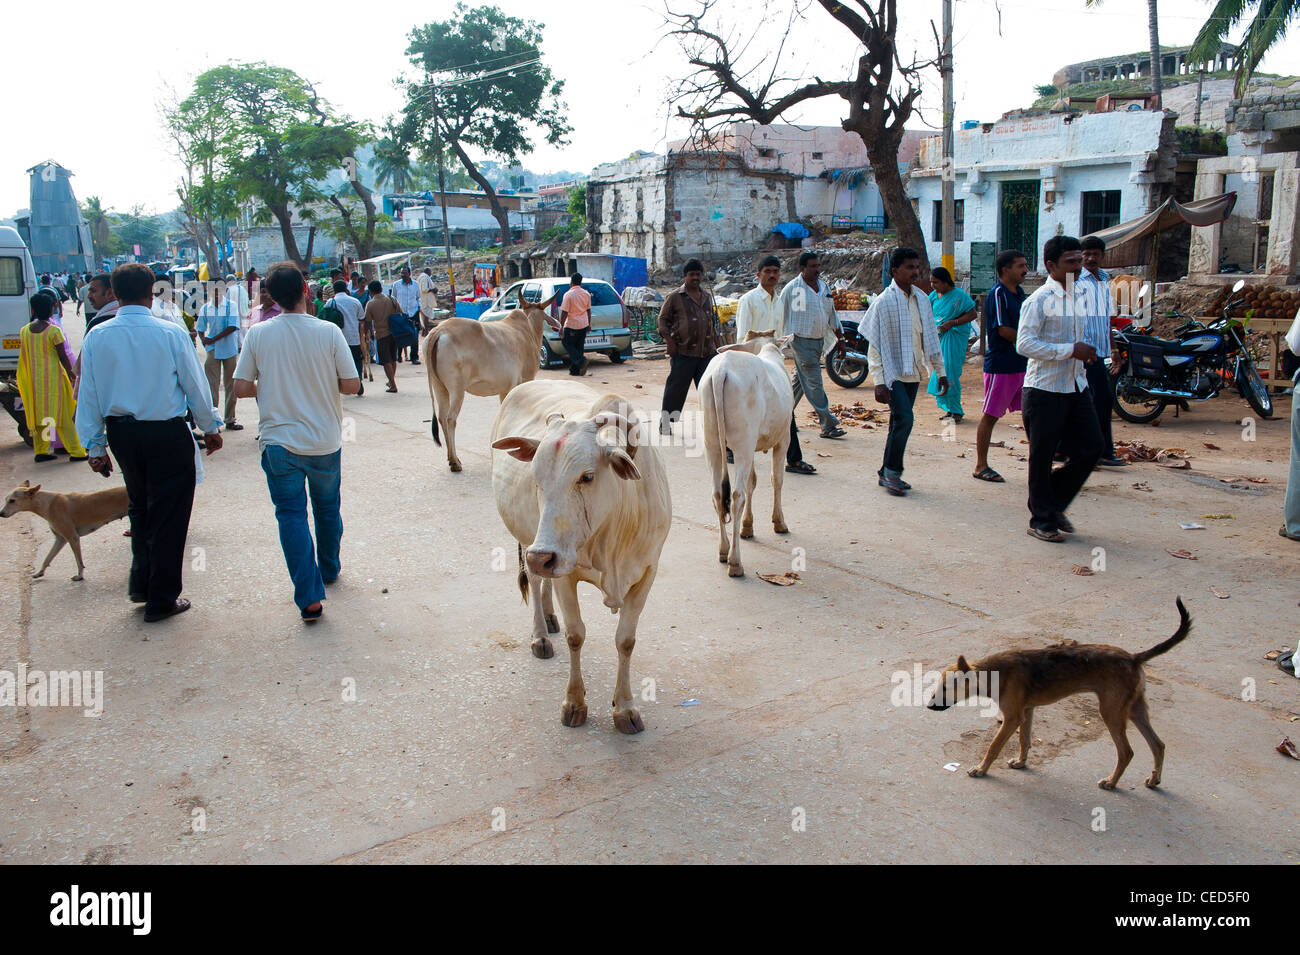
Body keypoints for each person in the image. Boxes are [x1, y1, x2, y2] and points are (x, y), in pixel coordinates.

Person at [74, 263, 222, 622]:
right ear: (151, 291)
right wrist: (210, 426)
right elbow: (194, 385)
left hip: (122, 434)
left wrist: (95, 447)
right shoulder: (169, 333)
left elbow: (88, 396)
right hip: (165, 432)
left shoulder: (97, 335)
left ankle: (142, 583)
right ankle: (161, 599)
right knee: (170, 514)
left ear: (114, 292)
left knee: (139, 506)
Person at [233, 262, 361, 621]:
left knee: (290, 515)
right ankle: (330, 568)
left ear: (271, 296)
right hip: (324, 441)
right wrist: (319, 381)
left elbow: (241, 388)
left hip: (278, 444)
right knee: (326, 507)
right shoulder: (329, 332)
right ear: (307, 291)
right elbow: (352, 384)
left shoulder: (258, 335)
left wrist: (272, 384)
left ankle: (309, 598)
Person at [1016, 235, 1103, 543]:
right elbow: (1024, 344)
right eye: (1071, 262)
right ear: (1051, 265)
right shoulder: (1038, 300)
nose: (1079, 267)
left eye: (1080, 261)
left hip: (1076, 384)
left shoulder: (1080, 293)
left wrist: (1086, 353)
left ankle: (1051, 500)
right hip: (1044, 389)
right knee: (1041, 455)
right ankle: (1041, 517)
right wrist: (1069, 350)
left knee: (1093, 447)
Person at [862, 248, 947, 496]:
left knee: (898, 421)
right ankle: (892, 472)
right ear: (894, 271)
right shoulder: (883, 302)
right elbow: (875, 346)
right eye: (909, 267)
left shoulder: (922, 299)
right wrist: (878, 381)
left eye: (916, 267)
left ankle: (885, 471)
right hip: (892, 373)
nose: (915, 271)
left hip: (914, 372)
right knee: (905, 419)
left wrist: (940, 371)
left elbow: (930, 337)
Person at [737, 255, 815, 475]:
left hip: (774, 363)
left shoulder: (780, 301)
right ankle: (730, 446)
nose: (772, 275)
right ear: (758, 274)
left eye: (775, 271)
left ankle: (794, 458)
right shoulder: (749, 300)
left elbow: (778, 334)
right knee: (745, 409)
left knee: (785, 410)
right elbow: (743, 337)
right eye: (767, 271)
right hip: (752, 365)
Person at [972, 250, 1029, 483]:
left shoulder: (1020, 293)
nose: (1025, 270)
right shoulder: (998, 294)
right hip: (1001, 366)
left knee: (1032, 414)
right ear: (1005, 269)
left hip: (1022, 364)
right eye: (1020, 266)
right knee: (991, 415)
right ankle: (980, 465)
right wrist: (1032, 344)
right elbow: (1003, 330)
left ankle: (1040, 463)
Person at [778, 251, 847, 441]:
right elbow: (778, 315)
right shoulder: (792, 289)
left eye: (818, 266)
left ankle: (780, 417)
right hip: (800, 341)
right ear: (803, 269)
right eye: (813, 266)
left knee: (799, 382)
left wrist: (840, 340)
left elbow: (831, 314)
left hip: (819, 340)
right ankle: (828, 424)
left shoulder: (823, 287)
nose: (817, 270)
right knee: (814, 382)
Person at [18, 293, 86, 463]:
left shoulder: (25, 330)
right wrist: (73, 374)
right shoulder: (54, 330)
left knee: (43, 417)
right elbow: (63, 357)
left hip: (34, 382)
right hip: (54, 380)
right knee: (64, 416)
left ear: (32, 309)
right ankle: (77, 451)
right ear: (52, 308)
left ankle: (41, 450)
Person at [657, 259, 721, 434]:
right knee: (675, 390)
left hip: (706, 353)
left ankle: (713, 427)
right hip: (683, 352)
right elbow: (662, 320)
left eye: (698, 274)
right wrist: (670, 342)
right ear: (685, 276)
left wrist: (719, 349)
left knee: (709, 392)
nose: (695, 277)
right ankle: (666, 423)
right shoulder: (675, 297)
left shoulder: (708, 297)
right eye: (691, 274)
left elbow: (712, 325)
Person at [1078, 236, 1126, 468]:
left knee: (1103, 400)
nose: (1091, 258)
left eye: (1095, 254)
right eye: (1087, 254)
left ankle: (1103, 450)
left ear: (1102, 256)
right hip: (1083, 351)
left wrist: (1114, 348)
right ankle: (1095, 451)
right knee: (1093, 401)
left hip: (1100, 350)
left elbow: (1105, 318)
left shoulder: (1104, 279)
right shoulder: (1075, 279)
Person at [926, 267, 976, 423]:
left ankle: (956, 411)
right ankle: (948, 409)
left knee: (950, 372)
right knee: (940, 372)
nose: (933, 285)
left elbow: (972, 314)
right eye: (931, 282)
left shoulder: (959, 295)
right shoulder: (934, 296)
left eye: (936, 282)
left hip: (955, 336)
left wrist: (952, 323)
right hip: (939, 336)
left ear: (945, 281)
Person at [197, 282, 244, 431]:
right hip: (213, 349)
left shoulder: (231, 306)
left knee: (231, 385)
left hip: (229, 348)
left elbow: (232, 327)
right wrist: (205, 340)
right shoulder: (206, 308)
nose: (216, 293)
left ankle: (230, 419)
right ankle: (214, 420)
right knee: (212, 385)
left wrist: (212, 339)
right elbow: (200, 327)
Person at [330, 279, 366, 397]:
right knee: (357, 360)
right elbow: (362, 318)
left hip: (337, 338)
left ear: (334, 290)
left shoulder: (330, 302)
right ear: (346, 288)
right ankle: (358, 381)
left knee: (340, 362)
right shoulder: (355, 301)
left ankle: (345, 385)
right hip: (354, 337)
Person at [364, 280, 401, 393]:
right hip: (394, 333)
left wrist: (365, 334)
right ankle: (391, 381)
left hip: (381, 334)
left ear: (370, 291)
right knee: (393, 359)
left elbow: (367, 321)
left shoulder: (370, 304)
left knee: (386, 361)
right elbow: (400, 312)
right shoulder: (392, 299)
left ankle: (393, 385)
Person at [559, 273, 592, 376]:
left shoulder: (568, 295)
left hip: (571, 325)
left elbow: (564, 312)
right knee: (579, 347)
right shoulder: (586, 294)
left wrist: (561, 327)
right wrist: (589, 324)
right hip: (583, 324)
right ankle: (575, 370)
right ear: (580, 282)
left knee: (567, 343)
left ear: (571, 282)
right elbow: (588, 310)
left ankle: (582, 361)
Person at [390, 265, 421, 364]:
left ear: (409, 274)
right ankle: (399, 355)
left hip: (413, 313)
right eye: (401, 273)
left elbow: (418, 297)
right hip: (400, 313)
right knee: (400, 334)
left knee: (414, 336)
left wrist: (418, 308)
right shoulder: (396, 285)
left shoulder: (415, 284)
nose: (403, 275)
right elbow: (393, 298)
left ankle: (414, 357)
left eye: (405, 273)